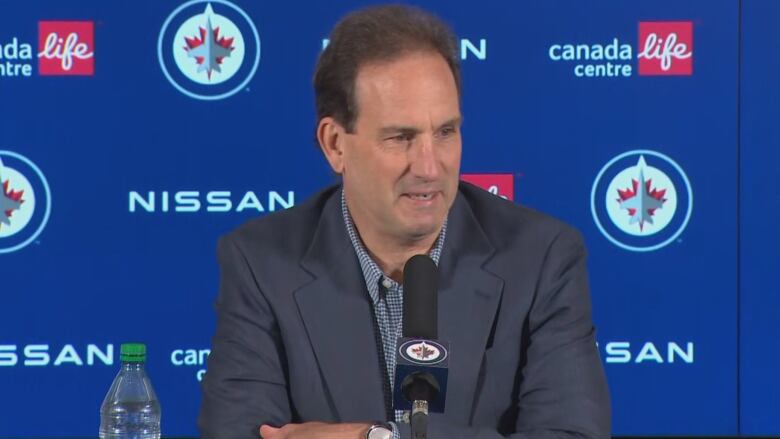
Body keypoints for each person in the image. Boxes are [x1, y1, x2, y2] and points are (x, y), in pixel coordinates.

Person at [198, 5, 610, 439]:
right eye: (401, 138)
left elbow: (572, 433)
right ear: (335, 144)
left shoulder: (541, 258)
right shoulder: (261, 263)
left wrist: (376, 438)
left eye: (446, 132)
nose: (430, 167)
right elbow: (238, 432)